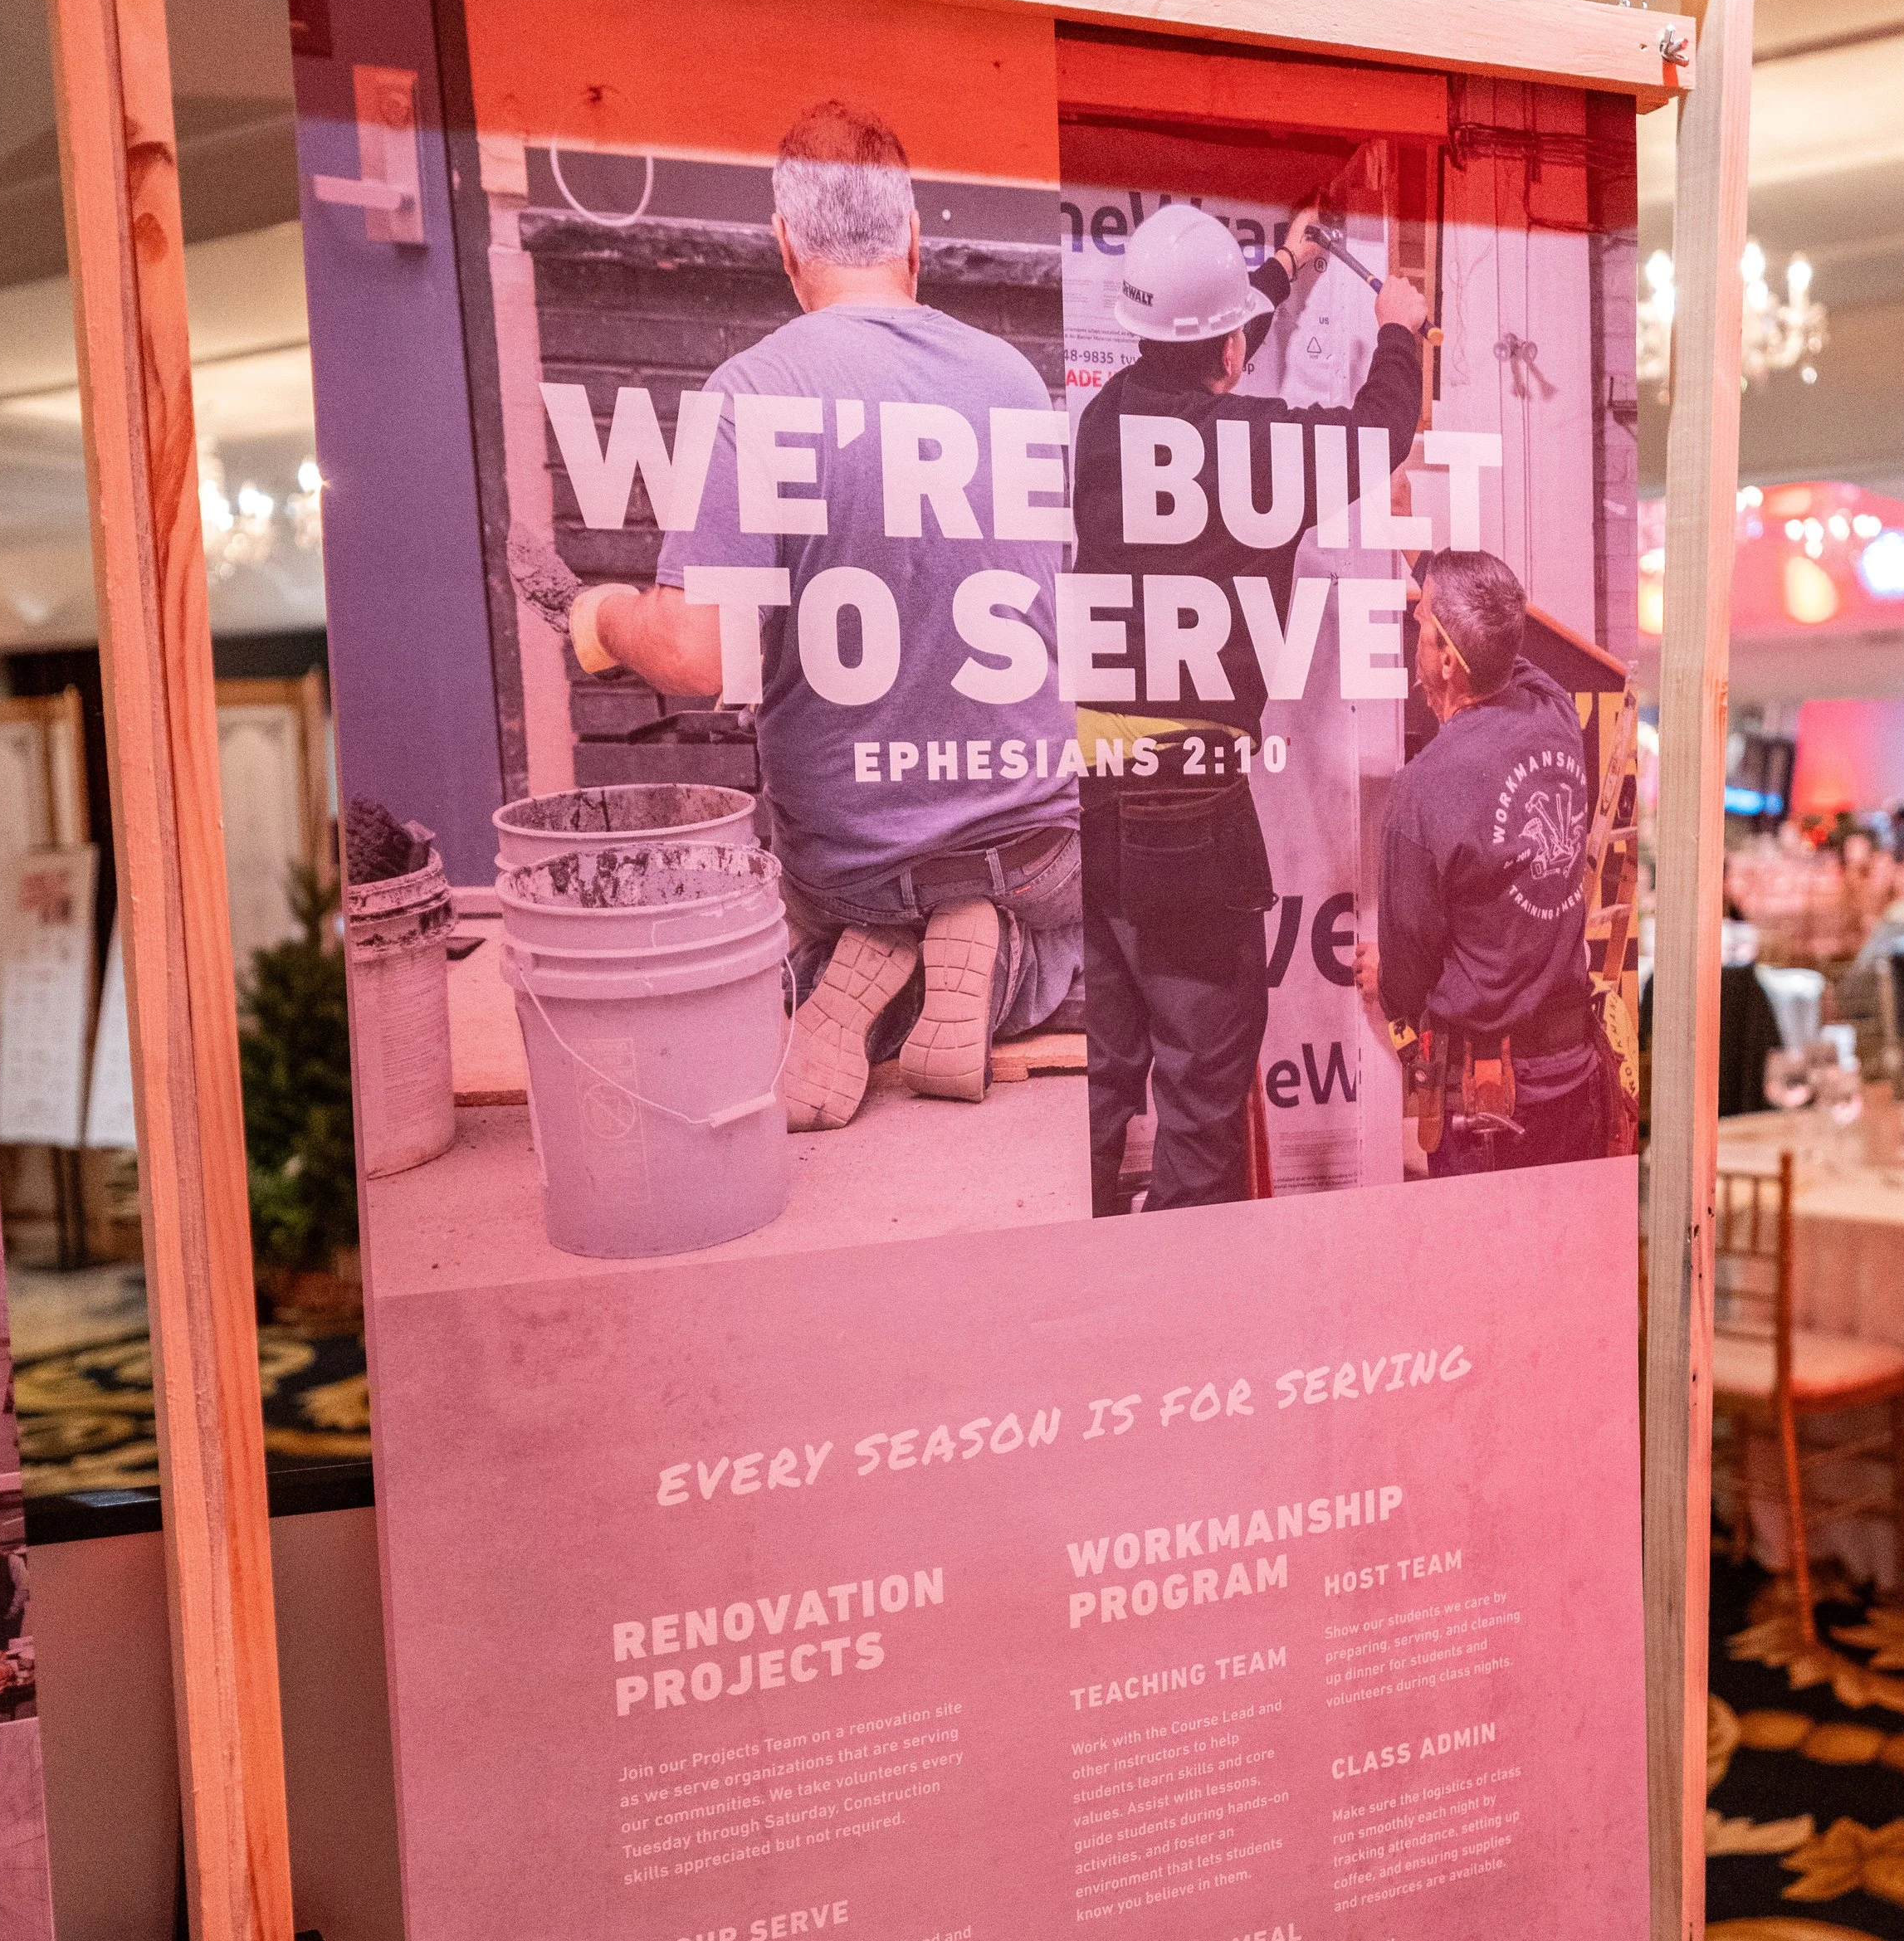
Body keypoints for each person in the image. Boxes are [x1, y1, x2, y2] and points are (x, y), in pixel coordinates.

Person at [568, 100, 1079, 1131]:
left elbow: (696, 656)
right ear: (915, 239)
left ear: (786, 243)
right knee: (1086, 939)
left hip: (852, 870)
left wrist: (608, 615)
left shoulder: (753, 390)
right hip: (1032, 856)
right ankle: (1001, 961)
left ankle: (862, 963)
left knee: (816, 930)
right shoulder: (1015, 382)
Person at [1072, 201, 1426, 1210]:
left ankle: (1083, 1267)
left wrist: (1279, 269)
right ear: (1229, 347)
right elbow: (1378, 433)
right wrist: (1397, 329)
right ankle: (1194, 1281)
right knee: (1201, 1080)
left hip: (1092, 796)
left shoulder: (1104, 422)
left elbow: (1195, 356)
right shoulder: (1252, 447)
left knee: (1106, 1070)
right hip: (1189, 814)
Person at [1355, 549, 1609, 1175]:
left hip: (1490, 1111)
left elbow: (1407, 977)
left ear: (1446, 659)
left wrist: (1386, 976)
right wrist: (1426, 563)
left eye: (1422, 622)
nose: (1414, 631)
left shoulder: (1424, 788)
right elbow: (1501, 646)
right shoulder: (1555, 713)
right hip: (1574, 1082)